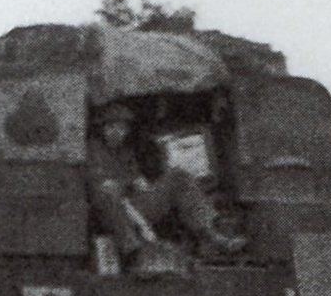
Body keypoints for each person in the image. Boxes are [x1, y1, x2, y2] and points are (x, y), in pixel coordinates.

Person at [85, 102, 244, 273]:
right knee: (108, 197)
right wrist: (129, 184)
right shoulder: (92, 150)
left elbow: (139, 183)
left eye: (122, 128)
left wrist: (141, 185)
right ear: (102, 128)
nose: (118, 132)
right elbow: (104, 187)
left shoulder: (125, 153)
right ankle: (137, 254)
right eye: (112, 127)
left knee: (178, 176)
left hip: (135, 207)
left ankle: (213, 234)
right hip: (111, 213)